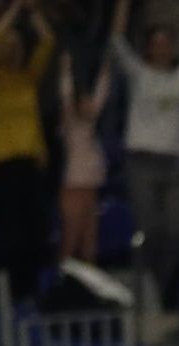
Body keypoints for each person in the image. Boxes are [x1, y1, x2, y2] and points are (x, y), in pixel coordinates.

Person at [107, 0, 179, 300]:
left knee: (173, 235)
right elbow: (117, 40)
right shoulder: (138, 73)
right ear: (149, 48)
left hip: (174, 165)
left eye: (166, 44)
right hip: (141, 161)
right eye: (156, 43)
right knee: (147, 232)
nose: (161, 49)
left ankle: (158, 291)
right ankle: (146, 293)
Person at [0, 0, 52, 298]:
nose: (11, 48)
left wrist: (33, 11)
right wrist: (14, 9)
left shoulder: (28, 79)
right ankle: (4, 294)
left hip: (31, 163)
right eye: (7, 45)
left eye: (17, 44)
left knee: (34, 235)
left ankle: (30, 294)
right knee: (8, 236)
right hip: (4, 164)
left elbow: (48, 41)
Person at [56, 42, 111, 265]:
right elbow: (66, 94)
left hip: (91, 185)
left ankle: (89, 291)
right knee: (71, 240)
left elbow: (101, 94)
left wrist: (107, 68)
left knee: (90, 244)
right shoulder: (71, 124)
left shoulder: (90, 126)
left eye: (90, 100)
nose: (89, 103)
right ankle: (63, 285)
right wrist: (66, 70)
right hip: (74, 185)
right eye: (85, 100)